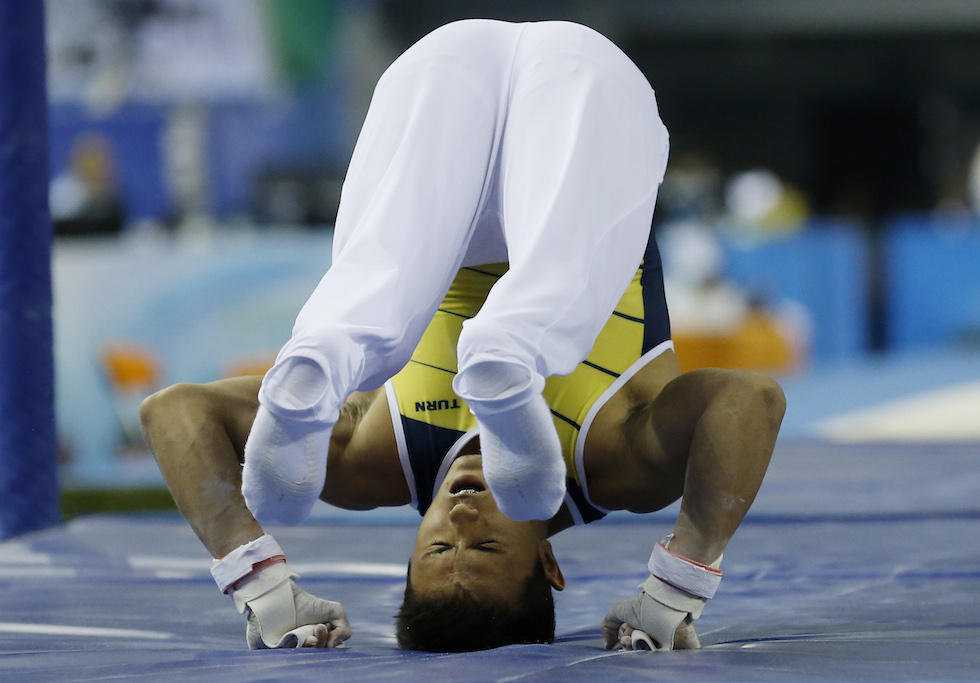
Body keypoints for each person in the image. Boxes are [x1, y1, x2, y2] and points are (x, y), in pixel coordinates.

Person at [140, 18, 785, 652]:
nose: (463, 517)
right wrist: (678, 585)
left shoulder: (377, 458)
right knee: (559, 264)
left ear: (411, 548)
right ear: (551, 568)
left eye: (439, 545)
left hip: (444, 73)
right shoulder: (616, 464)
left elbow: (174, 410)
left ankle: (324, 356)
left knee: (386, 267)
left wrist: (261, 584)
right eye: (487, 546)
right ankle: (508, 350)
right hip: (580, 89)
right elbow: (751, 399)